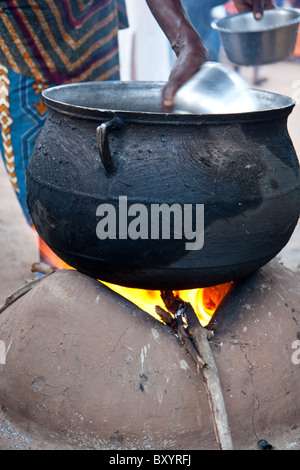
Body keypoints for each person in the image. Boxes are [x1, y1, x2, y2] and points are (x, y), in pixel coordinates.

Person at [0, 0, 273, 228]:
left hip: (93, 20)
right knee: (46, 194)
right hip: (22, 30)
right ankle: (56, 266)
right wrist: (184, 41)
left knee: (100, 163)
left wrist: (185, 42)